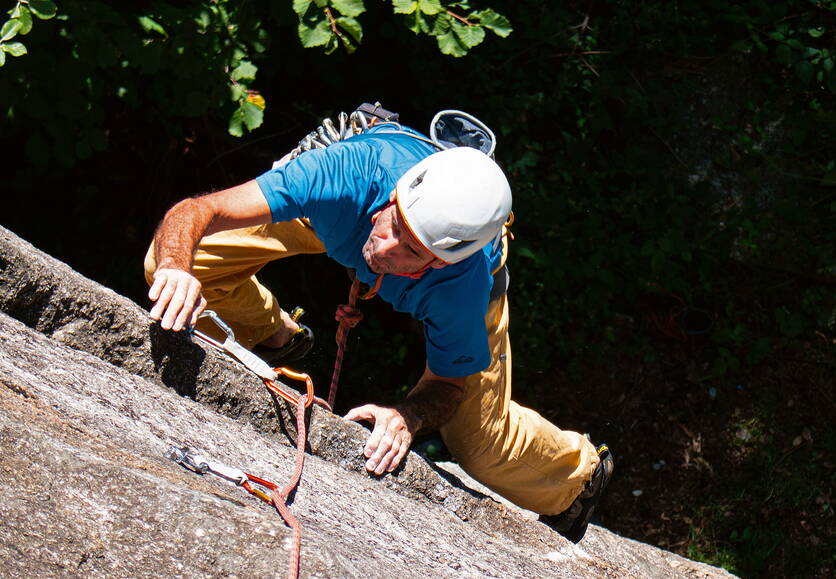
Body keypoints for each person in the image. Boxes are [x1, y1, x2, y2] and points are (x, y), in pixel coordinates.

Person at [143, 119, 613, 541]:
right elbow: (195, 211)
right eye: (394, 222)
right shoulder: (345, 174)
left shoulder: (459, 286)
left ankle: (576, 475)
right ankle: (275, 334)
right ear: (393, 197)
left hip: (439, 268)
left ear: (435, 262)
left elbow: (448, 385)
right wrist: (175, 267)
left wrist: (407, 415)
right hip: (341, 214)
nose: (384, 246)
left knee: (477, 445)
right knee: (175, 263)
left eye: (408, 250)